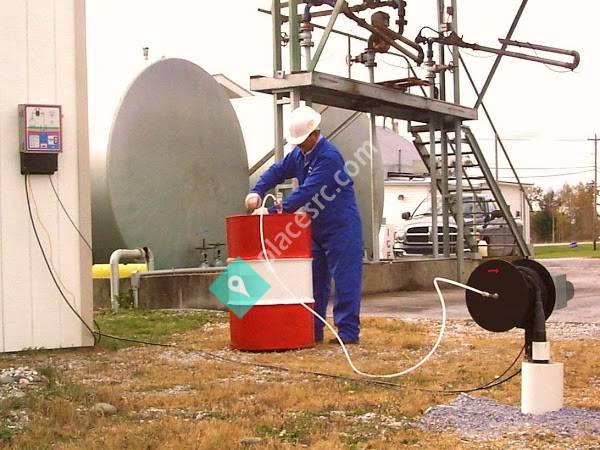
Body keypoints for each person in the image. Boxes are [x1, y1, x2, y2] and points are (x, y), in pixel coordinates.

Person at [245, 106, 363, 344]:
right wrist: (257, 190)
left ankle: (348, 333)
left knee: (345, 279)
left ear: (315, 134)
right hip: (316, 226)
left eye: (302, 141)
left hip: (341, 226)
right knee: (314, 282)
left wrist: (272, 211)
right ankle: (312, 330)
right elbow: (278, 171)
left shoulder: (329, 157)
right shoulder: (300, 154)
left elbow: (307, 191)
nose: (298, 146)